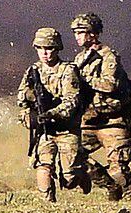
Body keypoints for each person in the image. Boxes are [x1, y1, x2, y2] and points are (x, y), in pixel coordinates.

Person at [70, 11, 131, 201]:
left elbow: (110, 84)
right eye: (75, 32)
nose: (77, 36)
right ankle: (110, 187)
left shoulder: (108, 56)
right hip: (89, 121)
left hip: (113, 121)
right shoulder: (80, 59)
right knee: (72, 156)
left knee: (119, 170)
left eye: (81, 32)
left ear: (92, 34)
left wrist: (84, 80)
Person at [16, 27, 88, 202]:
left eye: (49, 48)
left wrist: (52, 113)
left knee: (70, 177)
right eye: (40, 49)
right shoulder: (33, 71)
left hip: (66, 130)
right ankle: (48, 203)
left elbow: (71, 102)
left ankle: (82, 175)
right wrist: (29, 116)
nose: (45, 53)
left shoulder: (67, 71)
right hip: (44, 130)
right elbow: (21, 98)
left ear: (57, 49)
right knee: (43, 164)